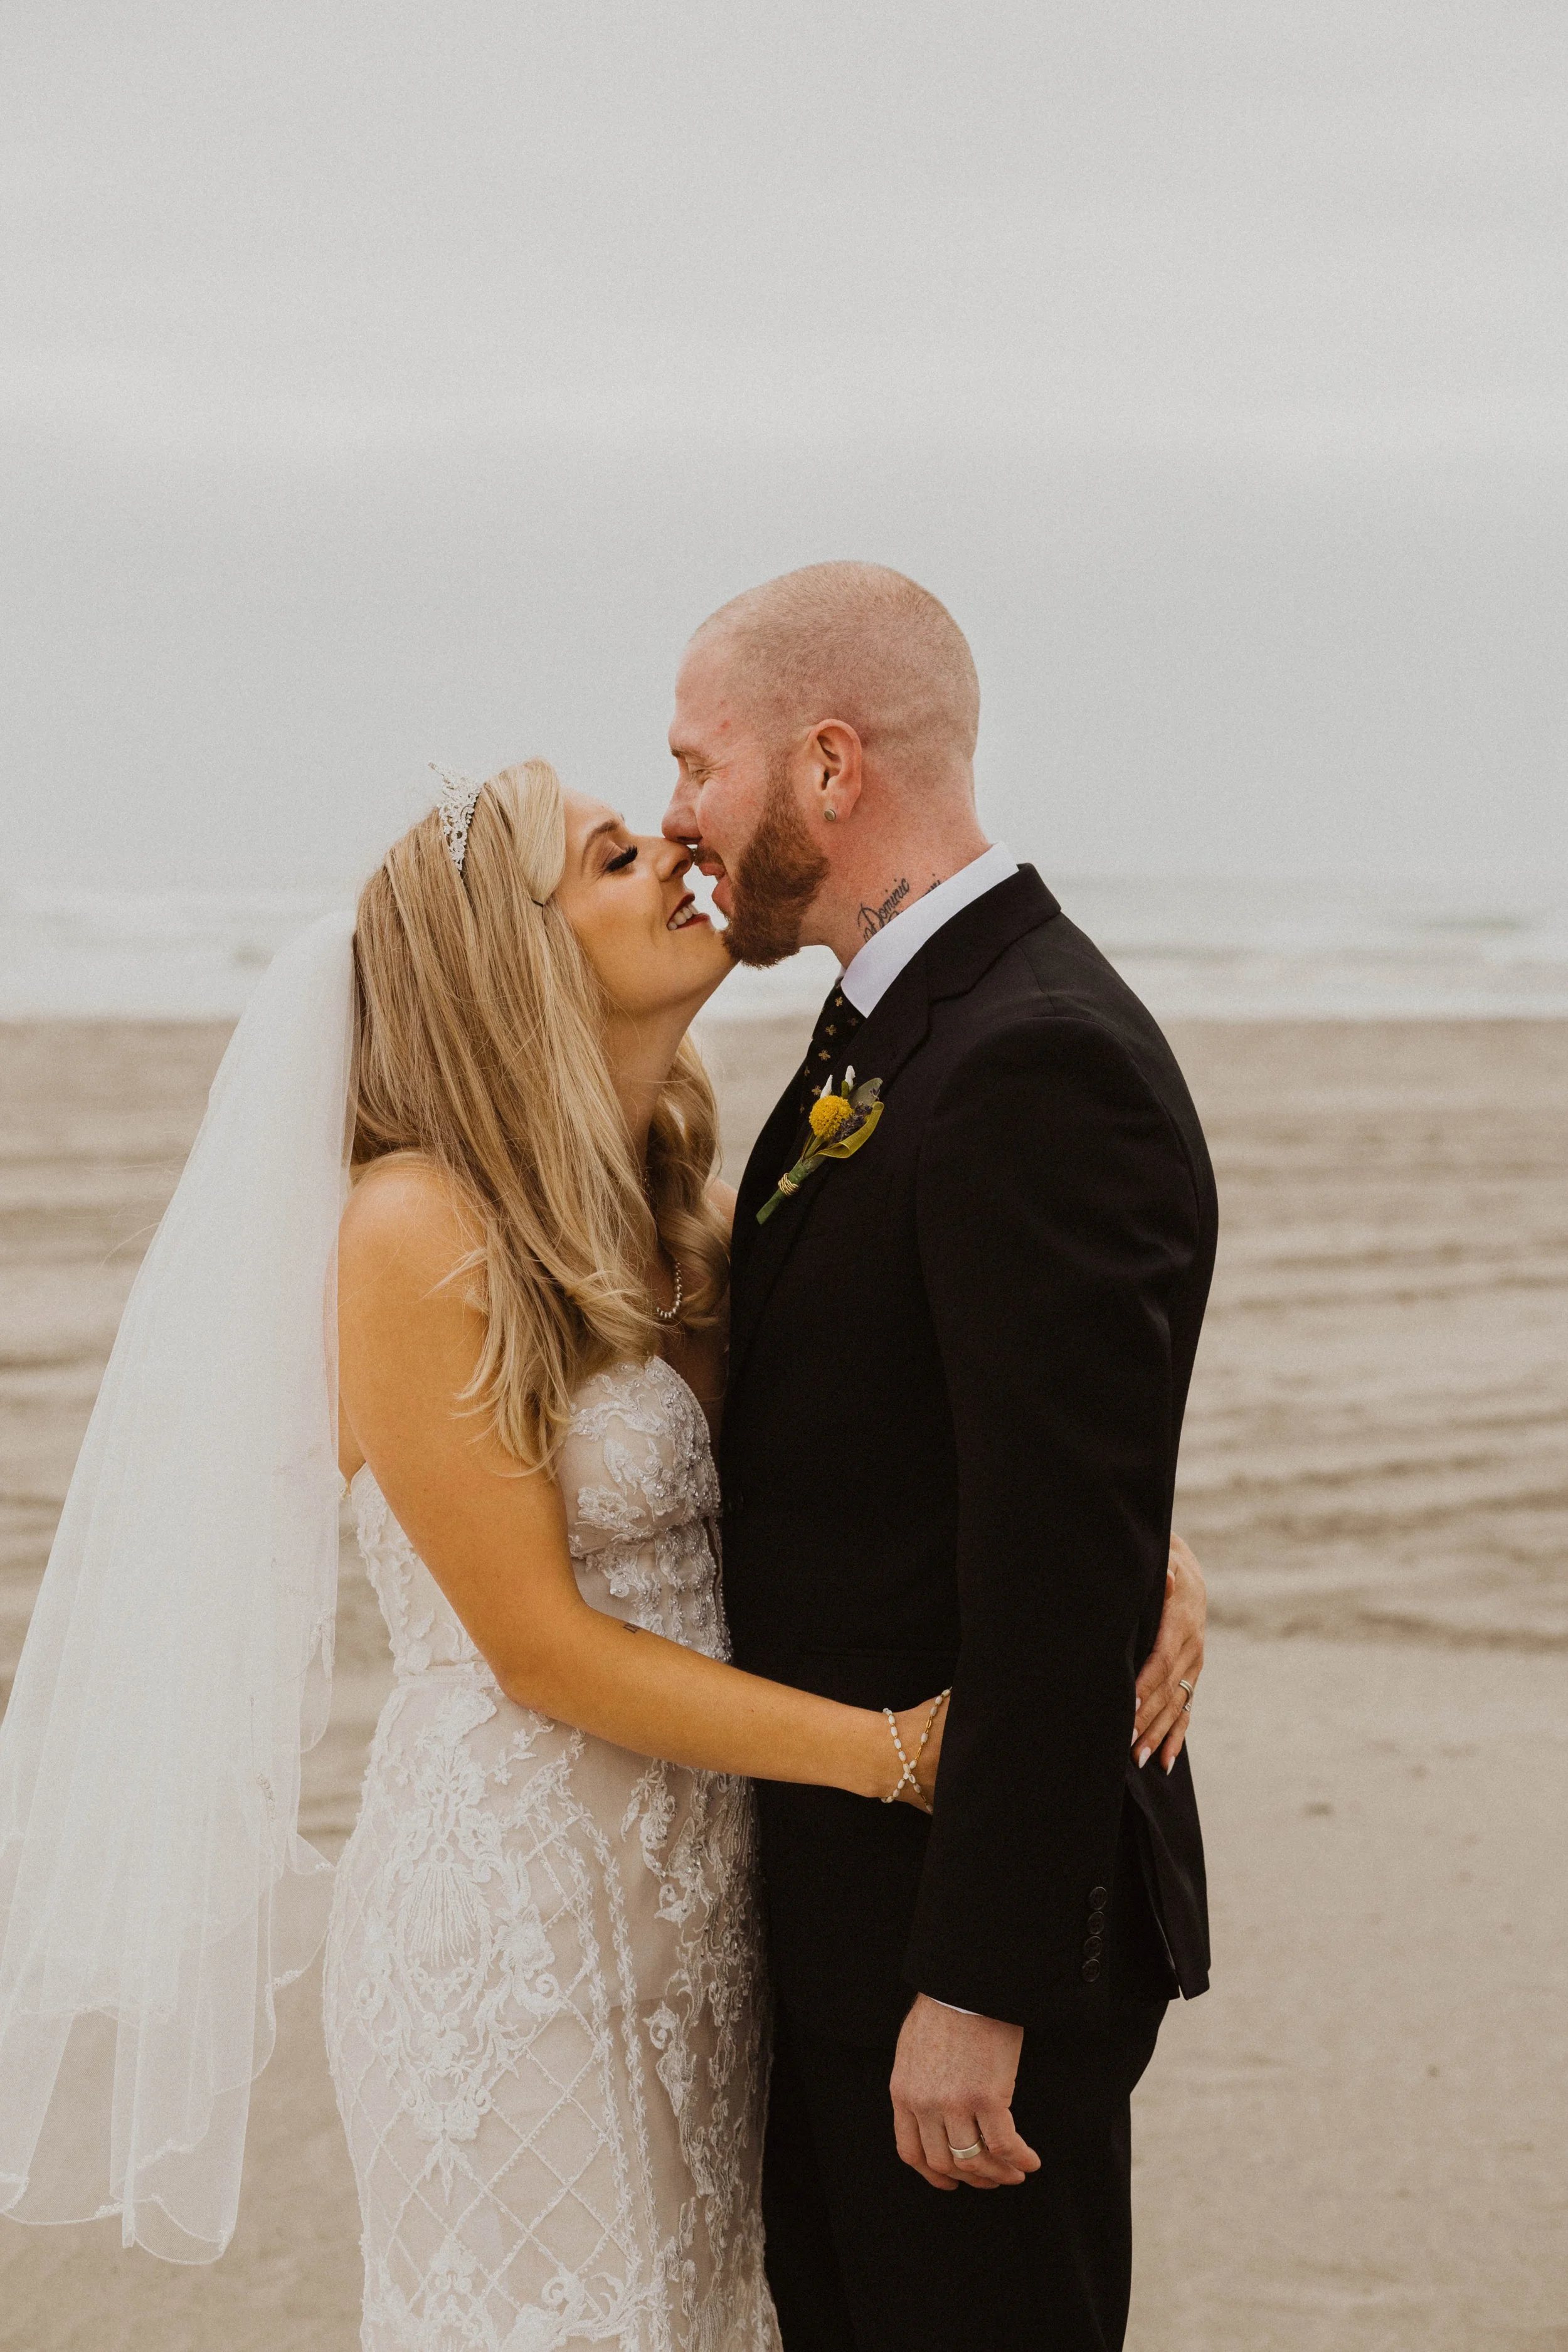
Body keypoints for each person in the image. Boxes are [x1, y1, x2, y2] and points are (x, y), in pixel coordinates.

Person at [0, 750, 1204, 2351]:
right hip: (518, 1909)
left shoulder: (692, 1208)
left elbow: (885, 1437)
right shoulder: (416, 1227)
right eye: (619, 856)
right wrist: (911, 1758)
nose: (683, 858)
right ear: (516, 957)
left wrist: (1138, 1544)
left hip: (706, 1901)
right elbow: (539, 1648)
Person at [663, 561, 1217, 2351]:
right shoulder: (903, 1026)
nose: (679, 813)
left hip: (955, 1951)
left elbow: (1054, 1578)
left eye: (696, 761)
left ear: (830, 765)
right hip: (848, 1916)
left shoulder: (1032, 1056)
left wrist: (974, 1988)